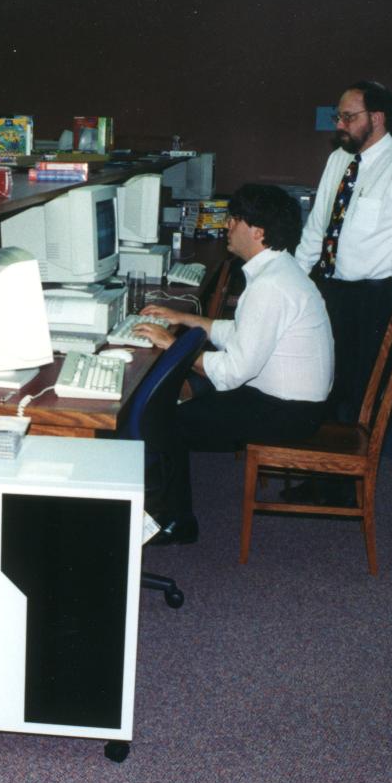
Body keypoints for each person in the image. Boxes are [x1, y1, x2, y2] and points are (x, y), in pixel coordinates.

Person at [134, 184, 334, 545]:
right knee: (177, 398)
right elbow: (241, 332)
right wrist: (186, 319)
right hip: (291, 402)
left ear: (258, 231)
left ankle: (176, 522)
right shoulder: (278, 270)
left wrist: (173, 346)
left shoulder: (270, 286)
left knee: (163, 419)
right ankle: (163, 509)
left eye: (235, 219)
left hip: (287, 412)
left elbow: (231, 372)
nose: (228, 226)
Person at [295, 80, 392, 424]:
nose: (339, 125)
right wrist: (294, 275)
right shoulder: (337, 160)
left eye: (348, 117)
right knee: (320, 382)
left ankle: (343, 474)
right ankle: (319, 469)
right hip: (329, 288)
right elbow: (318, 226)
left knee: (359, 392)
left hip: (372, 298)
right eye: (338, 117)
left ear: (378, 117)